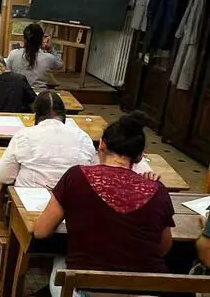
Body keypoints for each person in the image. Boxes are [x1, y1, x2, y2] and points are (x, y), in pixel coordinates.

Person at [33, 112, 176, 297]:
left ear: (101, 144)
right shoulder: (157, 190)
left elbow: (41, 231)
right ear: (140, 157)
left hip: (85, 289)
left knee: (60, 262)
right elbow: (164, 247)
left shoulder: (76, 177)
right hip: (143, 291)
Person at [0, 91, 96, 187]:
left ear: (36, 113)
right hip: (70, 202)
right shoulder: (83, 137)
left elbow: (2, 176)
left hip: (30, 200)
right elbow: (92, 174)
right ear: (64, 113)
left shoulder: (24, 135)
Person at [6, 23, 63, 89]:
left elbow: (7, 74)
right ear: (41, 40)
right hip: (39, 96)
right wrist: (50, 49)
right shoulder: (48, 58)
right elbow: (60, 65)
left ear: (24, 39)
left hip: (18, 95)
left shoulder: (13, 54)